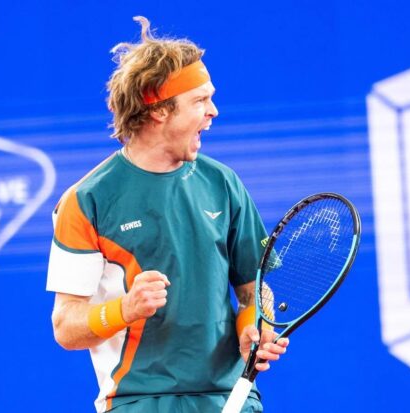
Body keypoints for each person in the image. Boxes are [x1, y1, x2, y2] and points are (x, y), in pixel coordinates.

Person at [46, 16, 289, 413]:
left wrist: (253, 328)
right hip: (137, 401)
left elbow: (253, 291)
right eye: (200, 101)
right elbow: (66, 327)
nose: (214, 111)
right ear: (159, 109)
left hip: (232, 397)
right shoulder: (85, 200)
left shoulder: (224, 183)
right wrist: (125, 309)